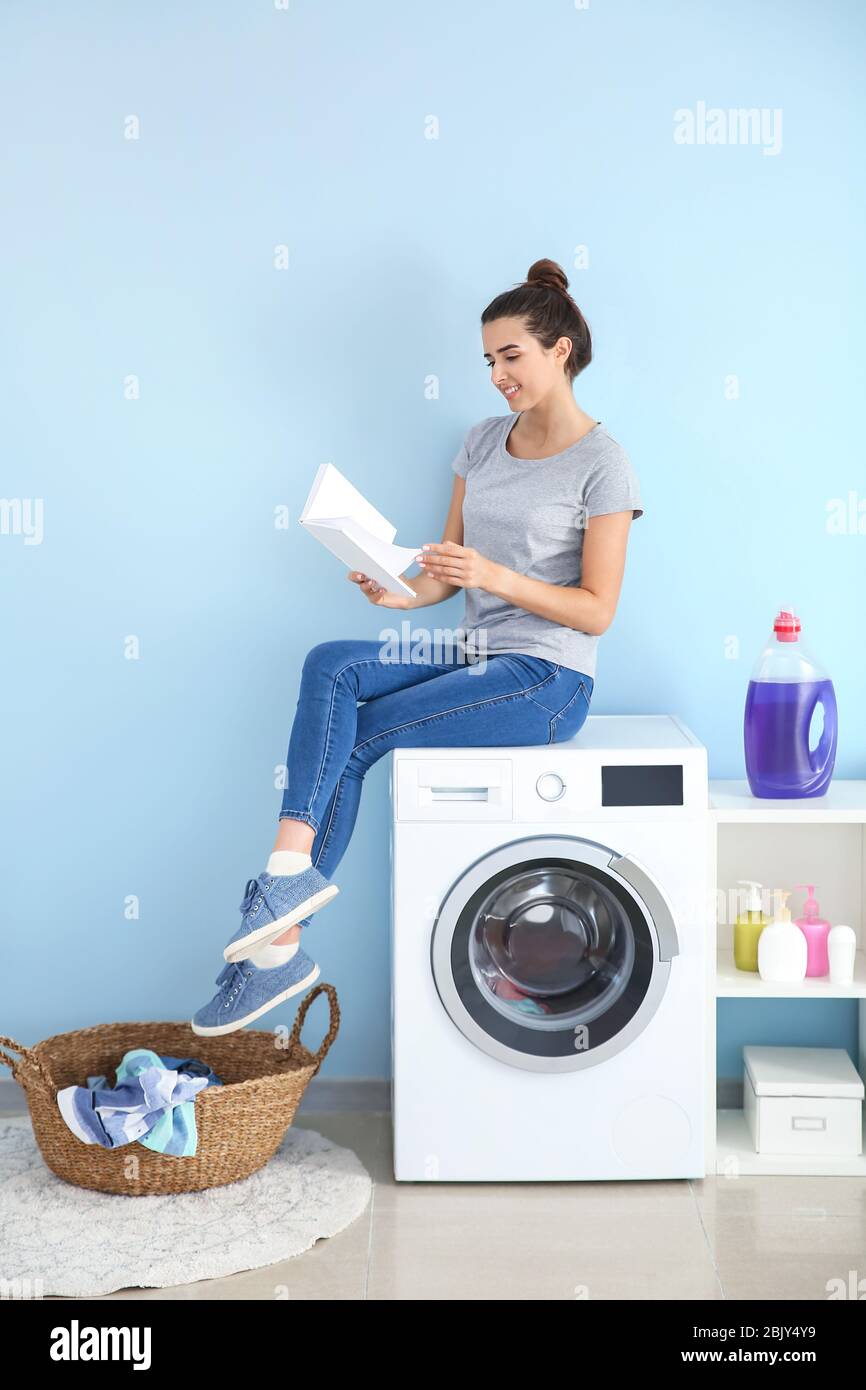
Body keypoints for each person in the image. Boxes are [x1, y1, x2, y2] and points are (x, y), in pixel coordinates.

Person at [191, 257, 644, 1036]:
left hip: (546, 676)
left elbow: (597, 611)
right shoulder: (480, 443)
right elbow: (443, 576)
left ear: (559, 349)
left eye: (512, 356)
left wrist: (492, 573)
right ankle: (285, 882)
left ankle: (274, 943)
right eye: (489, 360)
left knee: (361, 738)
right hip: (473, 652)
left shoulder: (604, 464)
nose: (498, 374)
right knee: (331, 661)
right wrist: (396, 590)